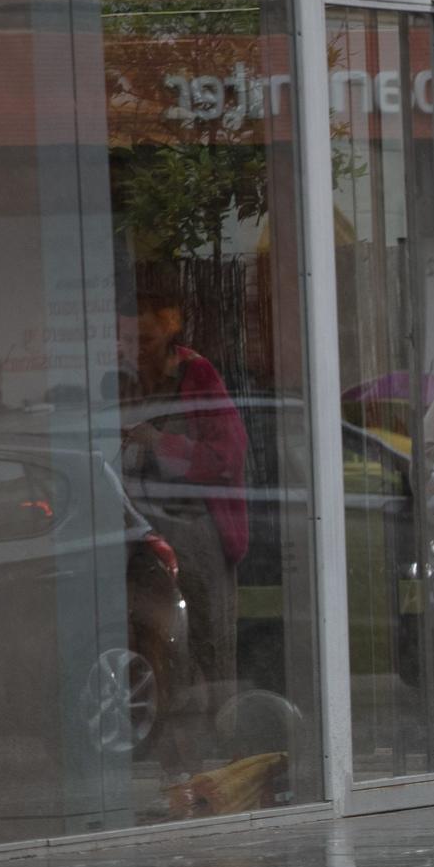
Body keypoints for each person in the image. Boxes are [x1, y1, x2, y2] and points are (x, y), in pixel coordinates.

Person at [118, 292, 249, 691]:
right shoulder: (125, 378)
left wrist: (159, 441)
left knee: (208, 634)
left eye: (146, 341)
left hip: (193, 524)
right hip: (141, 527)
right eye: (127, 341)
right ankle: (171, 733)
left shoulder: (197, 376)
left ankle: (221, 726)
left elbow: (227, 455)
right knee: (154, 637)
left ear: (169, 332)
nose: (135, 351)